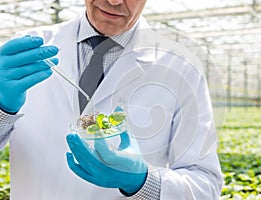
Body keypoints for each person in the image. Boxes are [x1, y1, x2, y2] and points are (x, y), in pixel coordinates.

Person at [0, 0, 223, 199]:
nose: (114, 1)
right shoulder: (26, 51)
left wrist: (143, 182)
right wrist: (2, 110)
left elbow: (206, 184)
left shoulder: (181, 67)